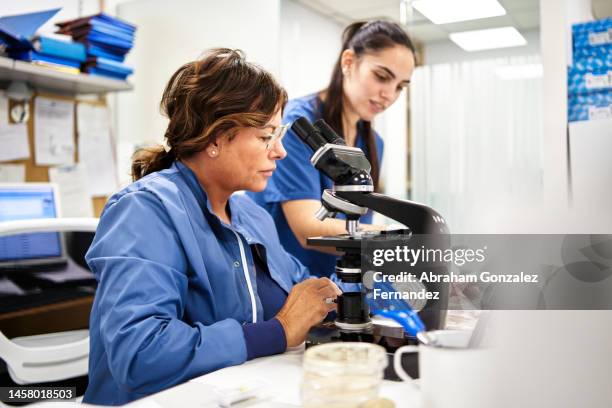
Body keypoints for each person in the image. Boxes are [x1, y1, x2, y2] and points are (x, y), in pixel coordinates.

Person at [83, 49, 341, 406]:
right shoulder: (145, 211)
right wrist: (277, 332)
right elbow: (140, 353)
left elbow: (304, 289)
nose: (279, 151)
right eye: (267, 136)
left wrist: (379, 290)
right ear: (216, 139)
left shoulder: (251, 216)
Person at [247, 20, 416, 277]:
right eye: (382, 77)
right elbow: (308, 228)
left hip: (338, 283)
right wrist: (400, 240)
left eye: (400, 87)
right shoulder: (298, 124)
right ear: (348, 62)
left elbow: (356, 226)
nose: (389, 95)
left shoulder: (373, 143)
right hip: (287, 283)